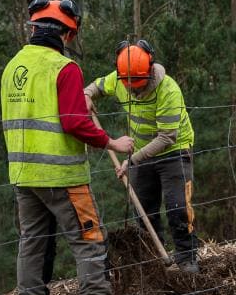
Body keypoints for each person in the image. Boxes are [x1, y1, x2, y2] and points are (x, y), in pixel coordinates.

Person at [1, 0, 136, 295]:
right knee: (90, 244)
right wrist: (112, 142)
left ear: (34, 28)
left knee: (32, 246)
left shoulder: (12, 67)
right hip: (64, 178)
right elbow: (75, 123)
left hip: (23, 176)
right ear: (67, 33)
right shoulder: (64, 68)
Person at [85, 39, 200, 273]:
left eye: (137, 84)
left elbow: (167, 137)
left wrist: (132, 160)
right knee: (144, 212)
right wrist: (87, 94)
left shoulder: (168, 90)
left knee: (178, 207)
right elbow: (97, 86)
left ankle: (187, 260)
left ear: (149, 69)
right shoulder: (120, 79)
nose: (133, 89)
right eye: (128, 84)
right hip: (140, 153)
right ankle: (155, 263)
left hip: (173, 151)